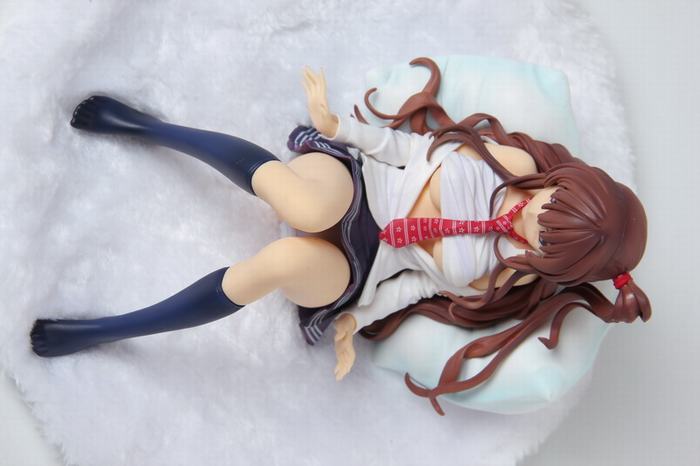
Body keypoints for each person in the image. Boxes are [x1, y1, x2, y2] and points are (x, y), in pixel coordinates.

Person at [30, 58, 650, 415]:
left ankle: (104, 331)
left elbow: (414, 287)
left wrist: (356, 321)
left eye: (542, 240)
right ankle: (146, 126)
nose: (526, 219)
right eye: (545, 206)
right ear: (560, 183)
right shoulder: (510, 163)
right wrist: (340, 128)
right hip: (361, 186)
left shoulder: (503, 276)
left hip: (362, 268)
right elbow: (410, 150)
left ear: (553, 265)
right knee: (303, 201)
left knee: (274, 265)